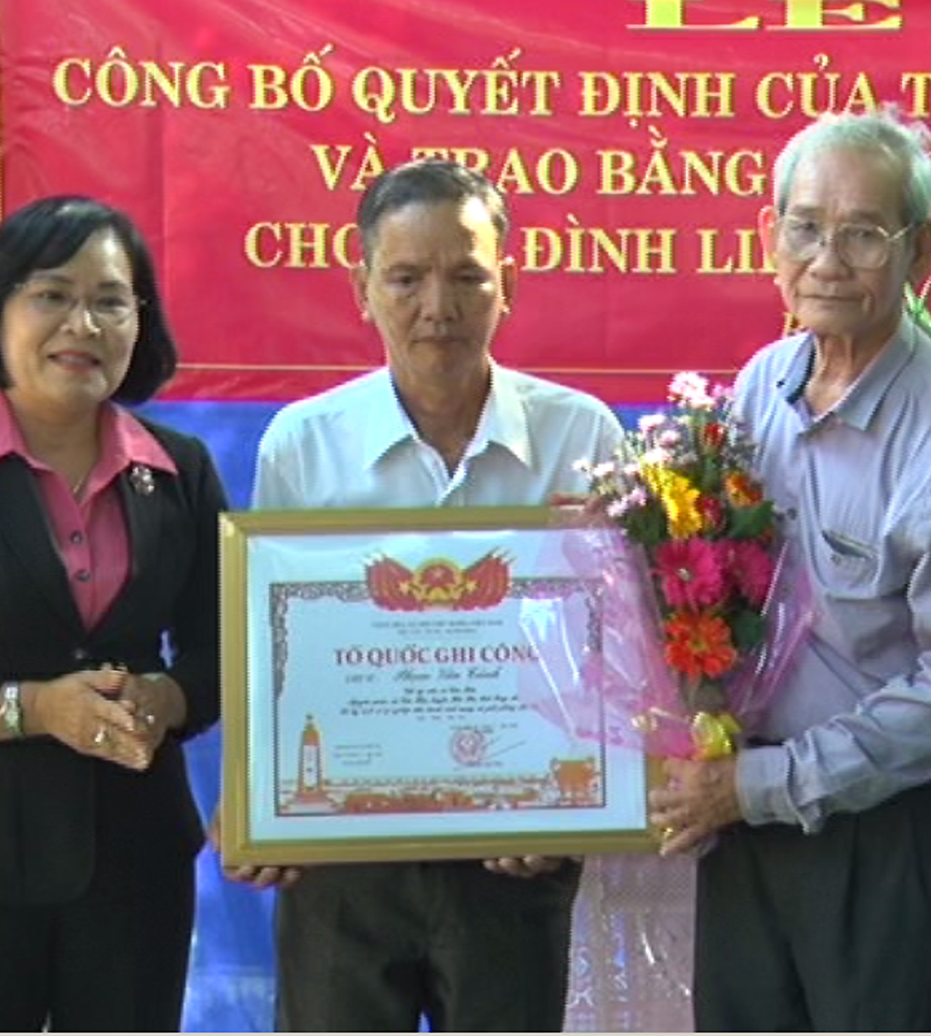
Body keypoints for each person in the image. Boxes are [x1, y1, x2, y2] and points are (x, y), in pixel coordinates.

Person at [215, 158, 625, 1031]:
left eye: (467, 276)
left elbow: (617, 652)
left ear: (509, 284)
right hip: (344, 863)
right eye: (406, 278)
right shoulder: (304, 443)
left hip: (514, 851)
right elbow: (272, 655)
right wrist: (254, 800)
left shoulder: (580, 435)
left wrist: (574, 813)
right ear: (362, 288)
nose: (438, 305)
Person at [648, 107, 931, 1031]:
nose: (827, 259)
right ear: (769, 238)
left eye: (863, 234)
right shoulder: (759, 386)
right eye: (806, 227)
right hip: (747, 828)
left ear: (921, 252)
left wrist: (768, 784)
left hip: (887, 838)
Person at [0, 195, 227, 1030]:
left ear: (140, 322)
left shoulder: (181, 470)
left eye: (110, 300)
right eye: (53, 295)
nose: (83, 324)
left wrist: (165, 697)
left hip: (135, 873)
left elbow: (222, 657)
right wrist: (31, 708)